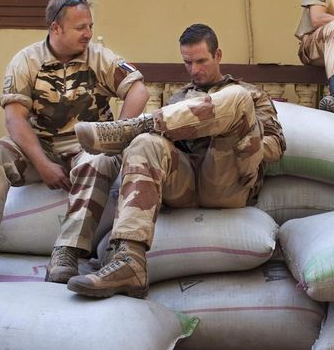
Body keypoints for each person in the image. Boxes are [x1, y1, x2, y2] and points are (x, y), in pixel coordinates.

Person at [0, 0, 149, 284]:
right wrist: (42, 164)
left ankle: (67, 252)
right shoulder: (26, 60)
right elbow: (14, 119)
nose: (88, 34)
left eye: (90, 26)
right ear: (56, 28)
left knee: (99, 159)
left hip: (86, 146)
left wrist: (113, 136)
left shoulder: (99, 56)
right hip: (39, 147)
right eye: (81, 27)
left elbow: (138, 90)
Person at [65, 24, 286, 298]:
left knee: (235, 100)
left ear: (218, 55)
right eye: (188, 63)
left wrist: (237, 137)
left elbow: (275, 147)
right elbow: (163, 151)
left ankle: (132, 127)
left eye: (201, 61)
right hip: (186, 182)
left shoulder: (250, 93)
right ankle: (129, 260)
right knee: (146, 142)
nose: (194, 70)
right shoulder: (178, 98)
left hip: (229, 176)